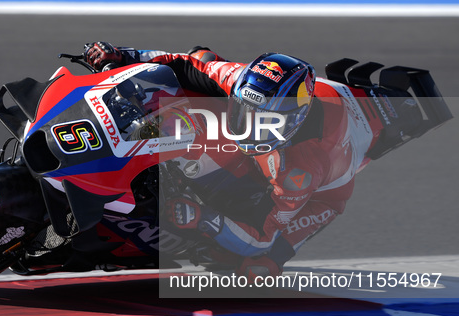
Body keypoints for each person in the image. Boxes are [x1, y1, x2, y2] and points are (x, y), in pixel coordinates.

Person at [83, 42, 373, 282]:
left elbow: (261, 237)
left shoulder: (302, 170)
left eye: (263, 122)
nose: (247, 126)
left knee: (257, 266)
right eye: (244, 111)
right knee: (203, 59)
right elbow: (185, 63)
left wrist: (204, 217)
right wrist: (123, 56)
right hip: (298, 110)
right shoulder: (240, 80)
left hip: (319, 196)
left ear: (292, 121)